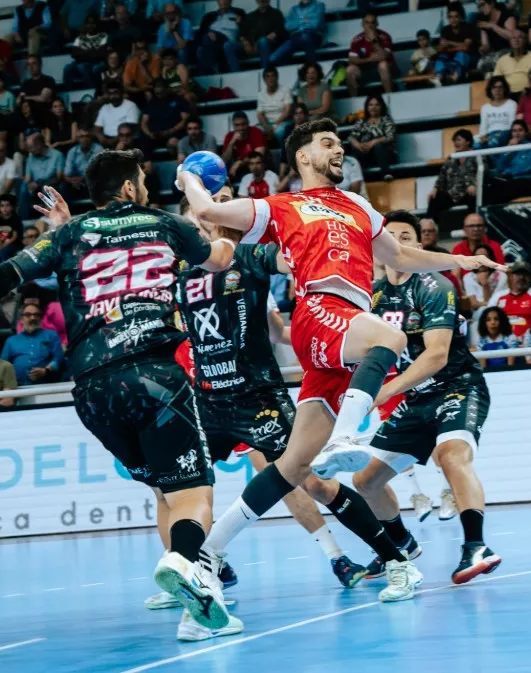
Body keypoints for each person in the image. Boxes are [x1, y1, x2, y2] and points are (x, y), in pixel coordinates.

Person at [0, 149, 242, 633]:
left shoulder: (67, 235)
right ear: (129, 188)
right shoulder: (163, 222)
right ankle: (185, 560)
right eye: (143, 180)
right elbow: (220, 260)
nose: (146, 187)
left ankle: (197, 600)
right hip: (154, 374)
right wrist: (220, 217)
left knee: (163, 489)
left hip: (91, 391)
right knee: (192, 492)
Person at [177, 119, 503, 603]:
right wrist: (187, 175)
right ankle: (347, 437)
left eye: (339, 143)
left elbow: (402, 254)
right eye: (327, 143)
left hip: (346, 329)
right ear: (303, 157)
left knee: (292, 466)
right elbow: (204, 208)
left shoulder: (358, 206)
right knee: (389, 338)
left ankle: (208, 552)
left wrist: (459, 261)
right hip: (318, 312)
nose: (338, 149)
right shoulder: (279, 207)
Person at [164, 192, 424, 618]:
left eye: (227, 202)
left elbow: (300, 259)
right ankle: (201, 565)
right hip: (208, 397)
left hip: (257, 393)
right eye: (211, 203)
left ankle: (395, 559)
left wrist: (349, 258)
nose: (218, 207)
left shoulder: (251, 256)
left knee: (310, 481)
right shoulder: (180, 267)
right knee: (177, 486)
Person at [353, 213, 501, 585]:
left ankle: (475, 546)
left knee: (452, 455)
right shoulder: (372, 296)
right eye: (391, 237)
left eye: (407, 237)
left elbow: (435, 356)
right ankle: (401, 544)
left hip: (456, 386)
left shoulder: (434, 284)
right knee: (365, 481)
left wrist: (383, 391)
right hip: (415, 398)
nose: (398, 243)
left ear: (418, 246)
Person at [1, 303, 64, 385]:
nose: (33, 318)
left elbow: (59, 358)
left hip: (47, 384)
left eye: (36, 315)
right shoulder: (11, 341)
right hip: (19, 386)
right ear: (21, 319)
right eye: (28, 315)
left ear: (41, 318)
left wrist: (46, 370)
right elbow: (3, 364)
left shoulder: (51, 335)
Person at [486, 120, 531, 203]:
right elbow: (499, 168)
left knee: (496, 190)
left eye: (520, 130)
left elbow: (525, 167)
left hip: (528, 182)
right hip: (511, 183)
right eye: (514, 131)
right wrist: (509, 150)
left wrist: (507, 172)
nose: (517, 133)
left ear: (526, 132)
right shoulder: (509, 147)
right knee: (488, 185)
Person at [427, 129, 477, 221]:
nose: (455, 143)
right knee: (435, 198)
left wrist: (474, 184)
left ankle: (472, 224)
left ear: (468, 141)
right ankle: (429, 226)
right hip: (452, 194)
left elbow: (484, 172)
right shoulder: (451, 158)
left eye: (459, 140)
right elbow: (442, 176)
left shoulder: (477, 155)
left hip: (469, 193)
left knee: (474, 197)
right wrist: (435, 188)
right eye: (454, 140)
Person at [345, 12, 395, 96]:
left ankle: (389, 97)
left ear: (377, 24)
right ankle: (354, 100)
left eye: (372, 22)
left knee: (383, 64)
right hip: (366, 70)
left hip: (387, 70)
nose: (369, 25)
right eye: (367, 22)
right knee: (350, 70)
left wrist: (374, 40)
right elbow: (352, 59)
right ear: (362, 24)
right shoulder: (357, 40)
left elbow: (383, 57)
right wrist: (370, 59)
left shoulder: (385, 36)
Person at [349, 95, 397, 181]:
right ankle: (359, 180)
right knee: (355, 150)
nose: (373, 107)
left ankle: (386, 174)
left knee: (378, 146)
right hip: (367, 154)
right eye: (370, 105)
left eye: (376, 105)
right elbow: (351, 137)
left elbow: (390, 137)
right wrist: (358, 145)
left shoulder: (386, 120)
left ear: (381, 107)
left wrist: (374, 142)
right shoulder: (362, 121)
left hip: (386, 155)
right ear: (367, 107)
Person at [271, 0, 326, 66]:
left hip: (313, 36)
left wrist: (297, 22)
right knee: (273, 58)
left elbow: (315, 24)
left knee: (305, 37)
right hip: (296, 38)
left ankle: (311, 67)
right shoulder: (294, 9)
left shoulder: (319, 5)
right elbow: (287, 26)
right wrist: (304, 21)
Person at [434, 2, 477, 84]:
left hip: (467, 58)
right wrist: (441, 46)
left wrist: (450, 43)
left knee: (461, 54)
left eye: (456, 17)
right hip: (451, 58)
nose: (453, 20)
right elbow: (441, 47)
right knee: (441, 57)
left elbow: (466, 46)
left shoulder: (467, 27)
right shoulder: (445, 30)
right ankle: (438, 78)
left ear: (460, 17)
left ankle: (455, 76)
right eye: (450, 17)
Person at [195, 0, 243, 74]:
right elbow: (201, 32)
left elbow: (246, 29)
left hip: (230, 40)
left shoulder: (239, 13)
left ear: (231, 1)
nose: (224, 2)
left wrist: (240, 23)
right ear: (218, 2)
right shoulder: (209, 16)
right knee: (201, 49)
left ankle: (211, 72)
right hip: (213, 42)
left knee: (206, 46)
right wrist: (209, 32)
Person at [94, 80, 142, 147]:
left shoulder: (131, 106)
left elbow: (131, 129)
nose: (113, 96)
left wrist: (112, 141)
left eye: (115, 93)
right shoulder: (104, 108)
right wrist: (103, 140)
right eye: (110, 93)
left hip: (125, 139)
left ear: (121, 93)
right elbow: (97, 129)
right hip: (106, 140)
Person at [242, 0, 287, 70]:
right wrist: (245, 43)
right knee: (229, 46)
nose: (262, 0)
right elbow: (242, 34)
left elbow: (281, 30)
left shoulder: (276, 13)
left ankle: (267, 71)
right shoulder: (250, 16)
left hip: (271, 44)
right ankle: (233, 74)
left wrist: (274, 34)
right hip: (252, 47)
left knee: (263, 41)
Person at [493, 31, 531, 95]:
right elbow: (496, 80)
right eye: (513, 38)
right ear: (510, 42)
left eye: (520, 37)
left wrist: (530, 90)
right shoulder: (502, 60)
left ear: (525, 41)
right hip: (508, 95)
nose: (516, 40)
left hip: (530, 94)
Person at [223, 111, 268, 181]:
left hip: (253, 167)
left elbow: (259, 155)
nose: (241, 128)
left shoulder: (256, 132)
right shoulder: (229, 136)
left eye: (243, 124)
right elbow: (224, 160)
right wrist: (232, 142)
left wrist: (239, 163)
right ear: (233, 125)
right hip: (237, 169)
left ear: (248, 123)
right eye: (237, 125)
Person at [257, 67, 294, 147]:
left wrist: (274, 125)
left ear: (277, 77)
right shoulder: (261, 94)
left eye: (273, 76)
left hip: (283, 122)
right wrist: (266, 126)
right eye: (268, 76)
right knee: (257, 132)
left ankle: (284, 154)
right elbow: (260, 114)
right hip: (268, 123)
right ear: (264, 80)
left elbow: (287, 111)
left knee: (279, 131)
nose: (270, 79)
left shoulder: (285, 90)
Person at [475, 0, 516, 72]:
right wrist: (483, 48)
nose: (481, 9)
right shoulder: (483, 20)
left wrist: (493, 26)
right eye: (479, 6)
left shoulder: (506, 16)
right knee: (481, 64)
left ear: (492, 4)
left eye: (482, 5)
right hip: (495, 53)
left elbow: (512, 36)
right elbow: (485, 44)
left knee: (496, 61)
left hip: (509, 50)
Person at [62, 129, 103, 200]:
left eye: (87, 136)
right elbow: (66, 174)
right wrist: (72, 181)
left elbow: (100, 171)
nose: (85, 139)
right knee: (64, 186)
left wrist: (83, 178)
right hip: (76, 182)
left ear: (91, 138)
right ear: (78, 139)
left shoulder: (99, 149)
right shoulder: (72, 151)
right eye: (82, 137)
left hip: (93, 180)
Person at [478, 76, 516, 149]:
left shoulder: (512, 104)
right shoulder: (485, 107)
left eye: (500, 87)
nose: (497, 90)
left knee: (494, 141)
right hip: (489, 136)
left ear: (505, 89)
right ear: (490, 90)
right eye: (494, 87)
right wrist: (483, 137)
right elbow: (483, 127)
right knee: (475, 146)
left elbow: (512, 124)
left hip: (505, 134)